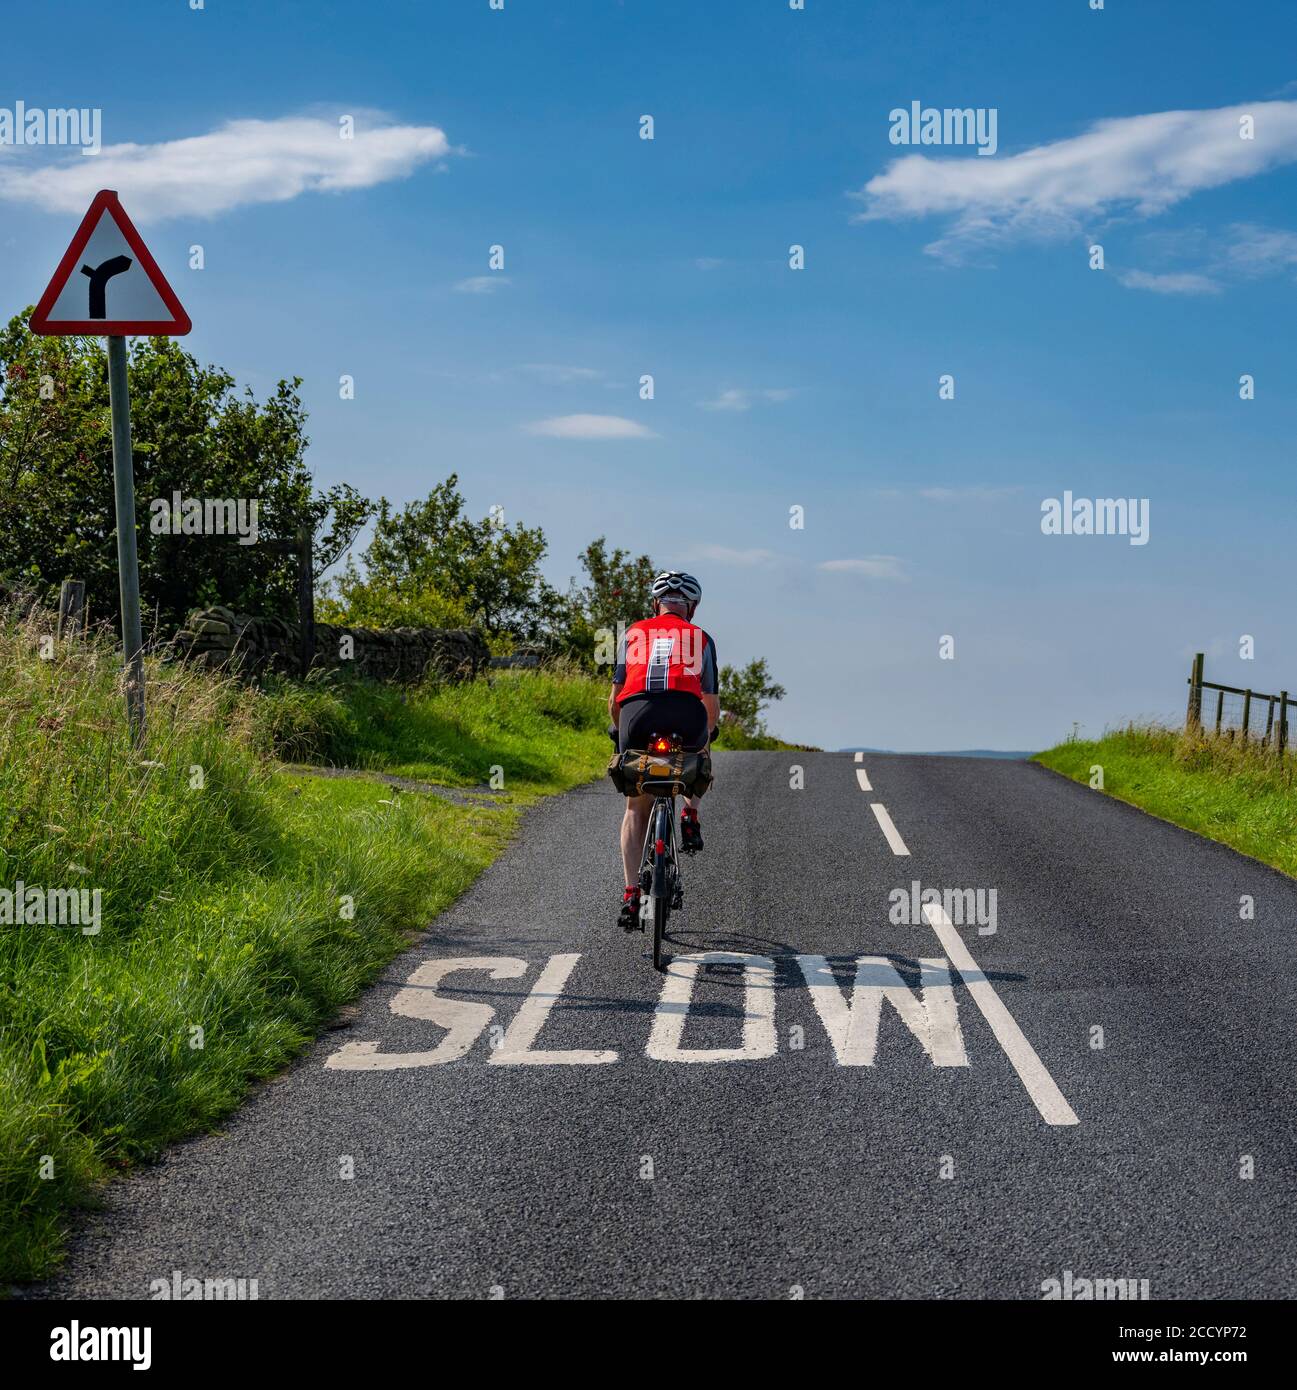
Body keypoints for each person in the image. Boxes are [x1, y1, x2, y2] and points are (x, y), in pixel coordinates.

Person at [609, 570, 719, 930]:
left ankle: (630, 894)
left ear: (655, 604)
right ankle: (690, 813)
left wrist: (619, 730)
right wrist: (707, 738)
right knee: (699, 750)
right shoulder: (701, 638)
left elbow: (615, 699)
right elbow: (711, 707)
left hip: (636, 715)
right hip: (686, 715)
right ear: (693, 607)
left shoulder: (632, 633)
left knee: (635, 806)